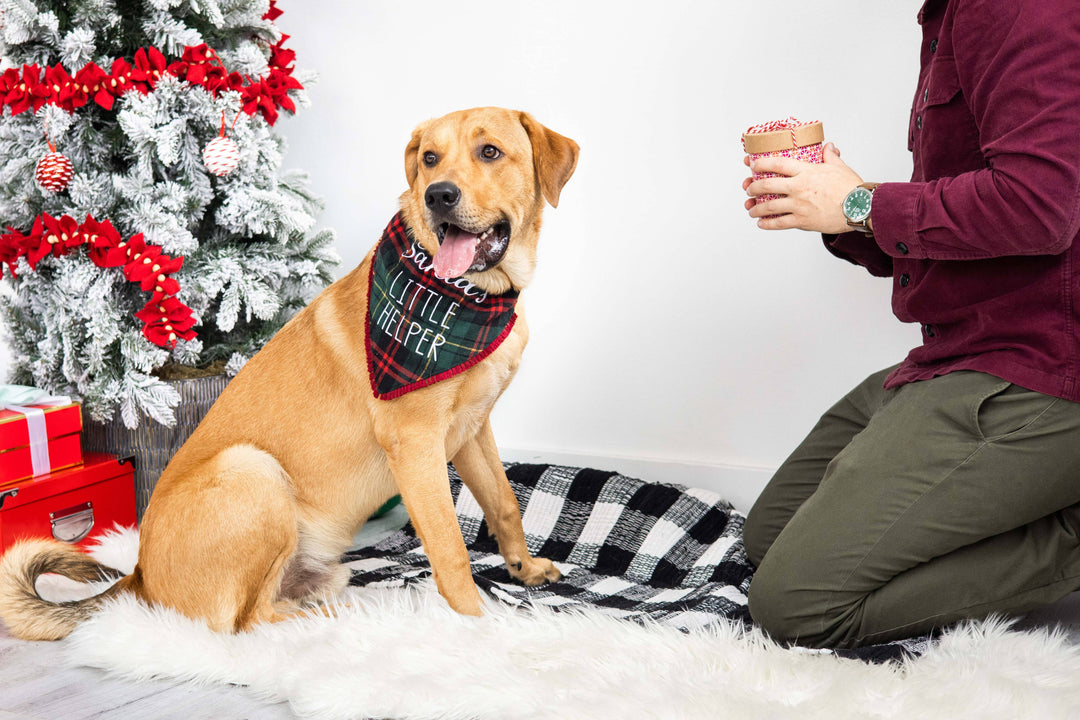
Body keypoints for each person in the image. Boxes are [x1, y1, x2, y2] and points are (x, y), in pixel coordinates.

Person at [739, 0, 1080, 649]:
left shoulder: (1020, 6)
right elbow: (981, 221)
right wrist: (840, 211)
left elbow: (1038, 209)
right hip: (961, 348)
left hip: (1043, 368)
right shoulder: (951, 12)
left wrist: (859, 202)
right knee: (770, 536)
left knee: (798, 606)